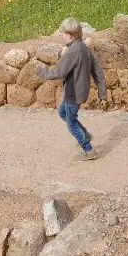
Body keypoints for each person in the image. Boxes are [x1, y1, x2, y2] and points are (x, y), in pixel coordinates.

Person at [36, 17, 107, 161]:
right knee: (63, 112)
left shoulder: (72, 52)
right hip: (80, 91)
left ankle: (89, 150)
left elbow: (59, 72)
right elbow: (97, 70)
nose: (61, 36)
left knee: (71, 124)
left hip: (73, 93)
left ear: (69, 35)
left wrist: (41, 72)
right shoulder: (83, 48)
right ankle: (85, 135)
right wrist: (102, 91)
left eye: (62, 33)